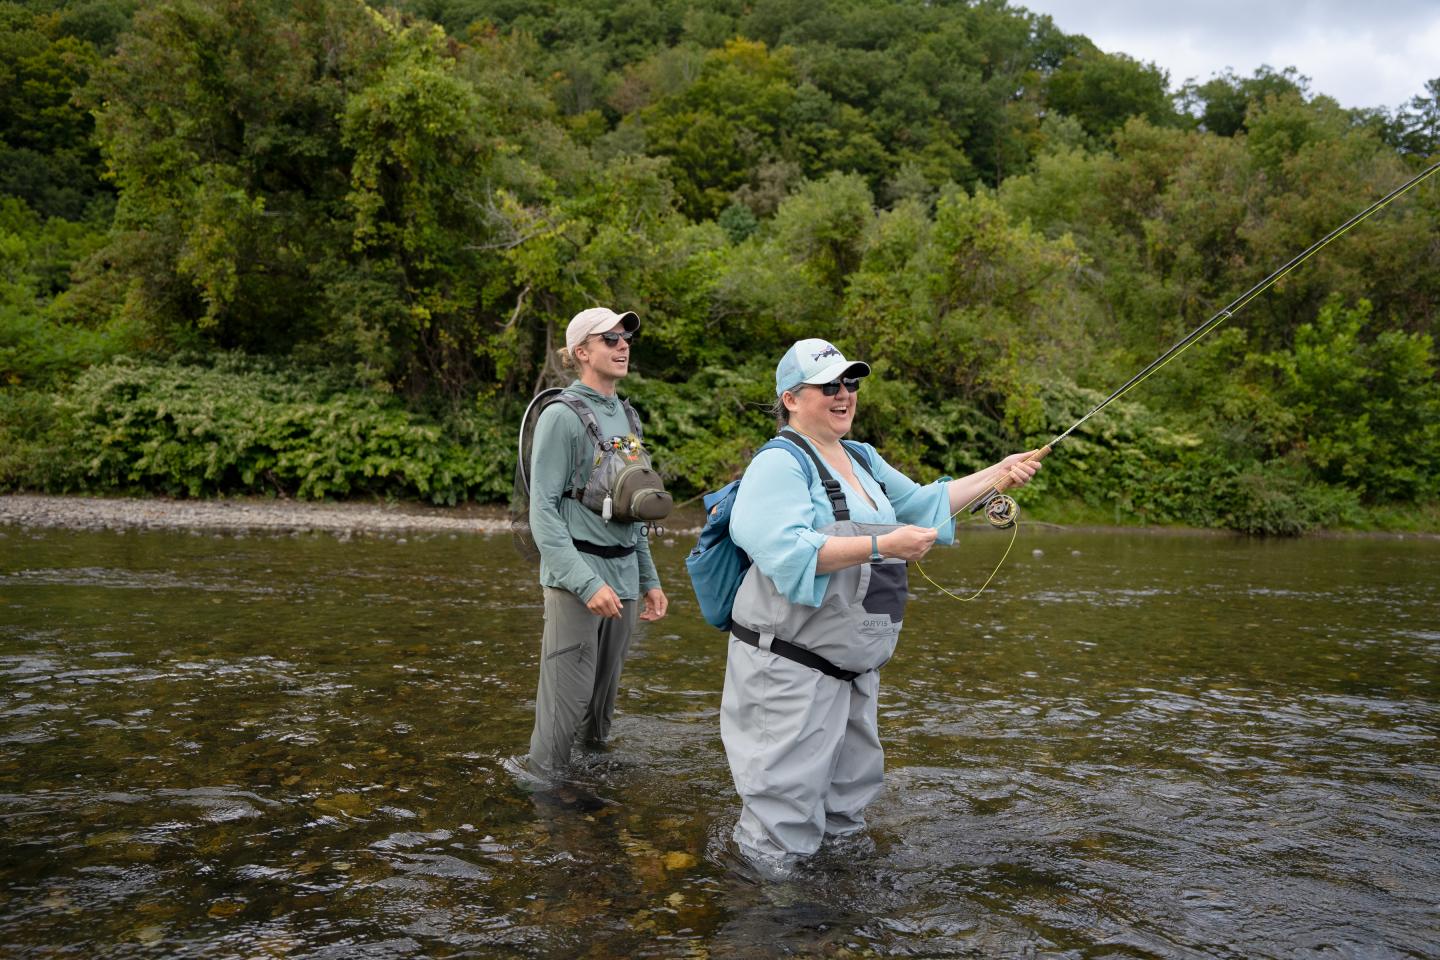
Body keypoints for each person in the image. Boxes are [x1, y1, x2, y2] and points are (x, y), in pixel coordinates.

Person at [720, 338, 1040, 866]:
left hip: (852, 665)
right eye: (828, 386)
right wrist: (880, 545)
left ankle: (843, 903)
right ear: (791, 398)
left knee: (847, 810)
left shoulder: (862, 457)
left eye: (850, 383)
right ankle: (770, 914)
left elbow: (922, 503)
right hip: (786, 668)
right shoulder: (778, 464)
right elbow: (784, 550)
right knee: (781, 819)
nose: (844, 394)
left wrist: (997, 474)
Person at [522, 306, 669, 780]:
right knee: (562, 714)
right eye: (610, 338)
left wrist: (649, 579)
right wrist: (586, 585)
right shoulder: (559, 418)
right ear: (581, 352)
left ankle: (594, 809)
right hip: (577, 586)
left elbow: (634, 508)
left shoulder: (628, 416)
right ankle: (544, 801)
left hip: (624, 581)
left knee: (600, 717)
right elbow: (541, 512)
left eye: (626, 336)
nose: (623, 344)